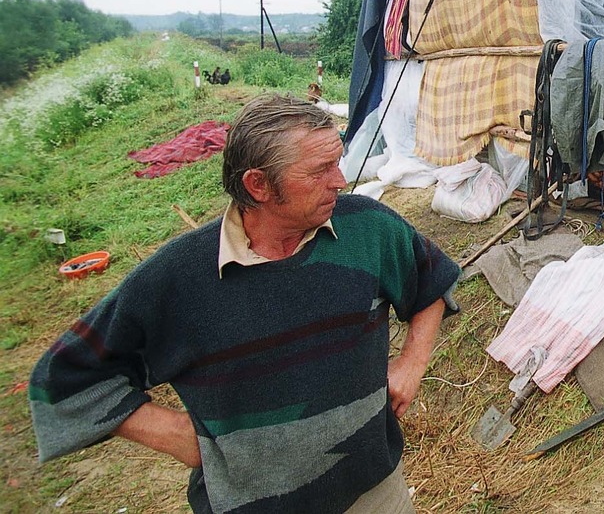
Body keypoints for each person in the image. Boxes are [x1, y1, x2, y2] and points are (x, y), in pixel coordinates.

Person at [29, 93, 461, 513]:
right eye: (319, 170)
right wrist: (178, 434)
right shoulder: (179, 279)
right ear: (258, 185)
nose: (340, 180)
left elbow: (431, 279)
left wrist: (411, 364)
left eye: (337, 160)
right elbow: (65, 377)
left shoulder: (367, 228)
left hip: (375, 491)